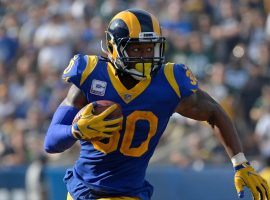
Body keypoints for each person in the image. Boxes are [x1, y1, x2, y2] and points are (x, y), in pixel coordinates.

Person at [44, 9, 270, 200]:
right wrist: (75, 131)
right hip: (82, 190)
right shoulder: (92, 75)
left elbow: (213, 111)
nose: (144, 57)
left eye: (149, 48)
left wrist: (240, 163)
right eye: (135, 49)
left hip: (129, 193)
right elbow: (51, 142)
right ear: (113, 48)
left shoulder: (168, 82)